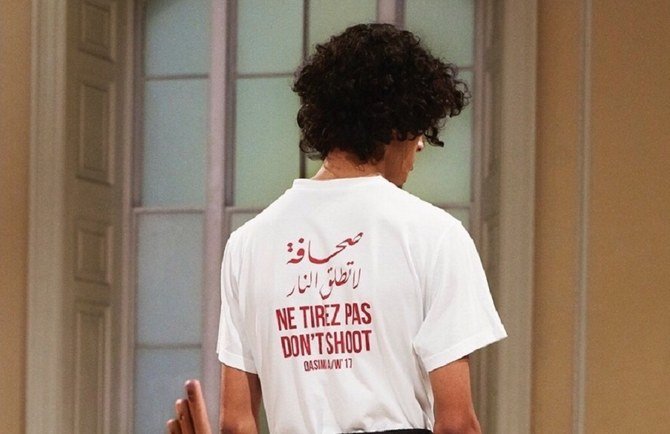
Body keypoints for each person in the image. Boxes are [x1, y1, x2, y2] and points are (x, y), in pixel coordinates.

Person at [169, 23, 506, 434]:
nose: (420, 145)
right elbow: (456, 424)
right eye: (420, 127)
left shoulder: (248, 244)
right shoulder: (436, 236)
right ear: (397, 123)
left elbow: (237, 424)